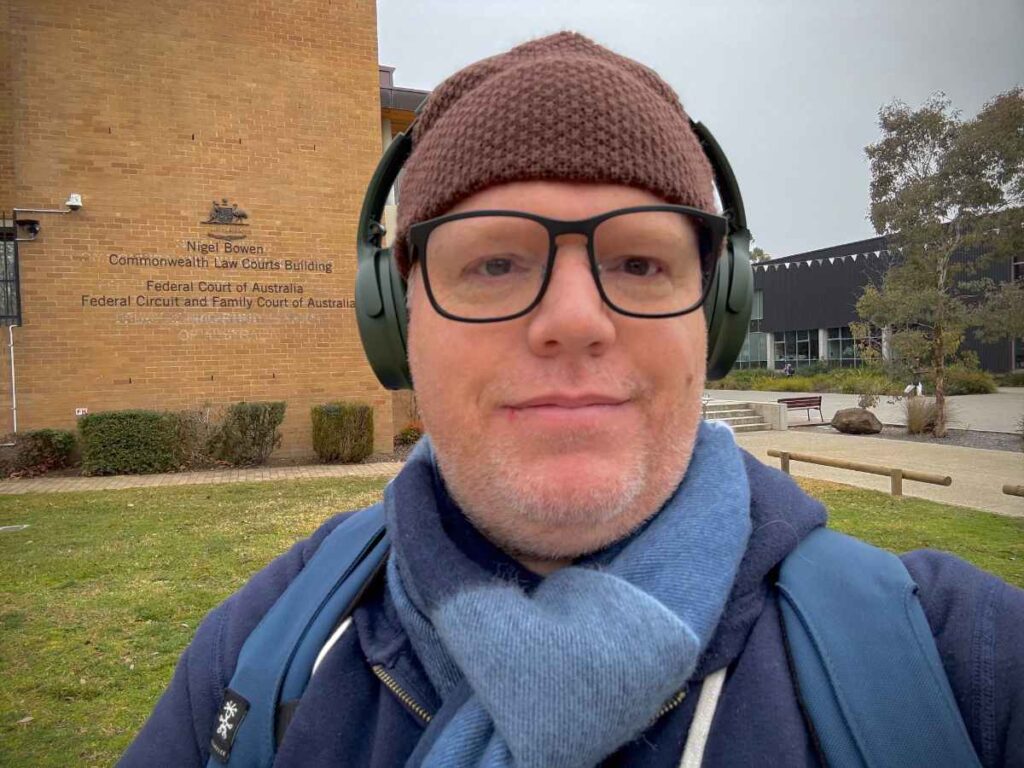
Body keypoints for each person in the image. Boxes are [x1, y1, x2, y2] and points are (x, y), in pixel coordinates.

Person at [120, 33, 1023, 767]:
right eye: (495, 261)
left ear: (715, 313)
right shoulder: (265, 647)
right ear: (396, 320)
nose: (575, 319)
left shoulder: (959, 664)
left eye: (638, 261)